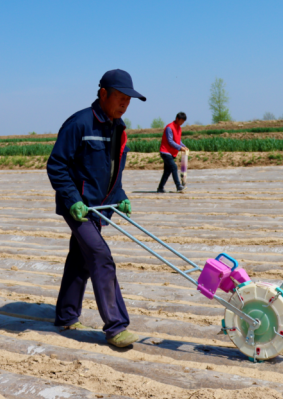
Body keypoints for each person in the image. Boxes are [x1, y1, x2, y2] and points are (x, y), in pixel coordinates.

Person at [47, 69, 145, 348]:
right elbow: (56, 165)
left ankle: (66, 315)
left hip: (101, 208)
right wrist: (72, 199)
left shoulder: (118, 127)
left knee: (80, 259)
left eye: (129, 99)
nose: (125, 104)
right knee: (100, 256)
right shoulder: (79, 124)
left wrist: (121, 194)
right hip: (77, 207)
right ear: (103, 94)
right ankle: (116, 326)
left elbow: (113, 172)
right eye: (121, 97)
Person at [157, 112, 188, 193]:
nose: (182, 123)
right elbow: (170, 141)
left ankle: (160, 188)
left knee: (167, 171)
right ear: (177, 119)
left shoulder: (179, 128)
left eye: (183, 122)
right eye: (181, 121)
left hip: (171, 153)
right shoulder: (169, 127)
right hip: (165, 152)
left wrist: (184, 146)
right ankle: (178, 186)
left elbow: (178, 140)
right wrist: (180, 148)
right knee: (174, 167)